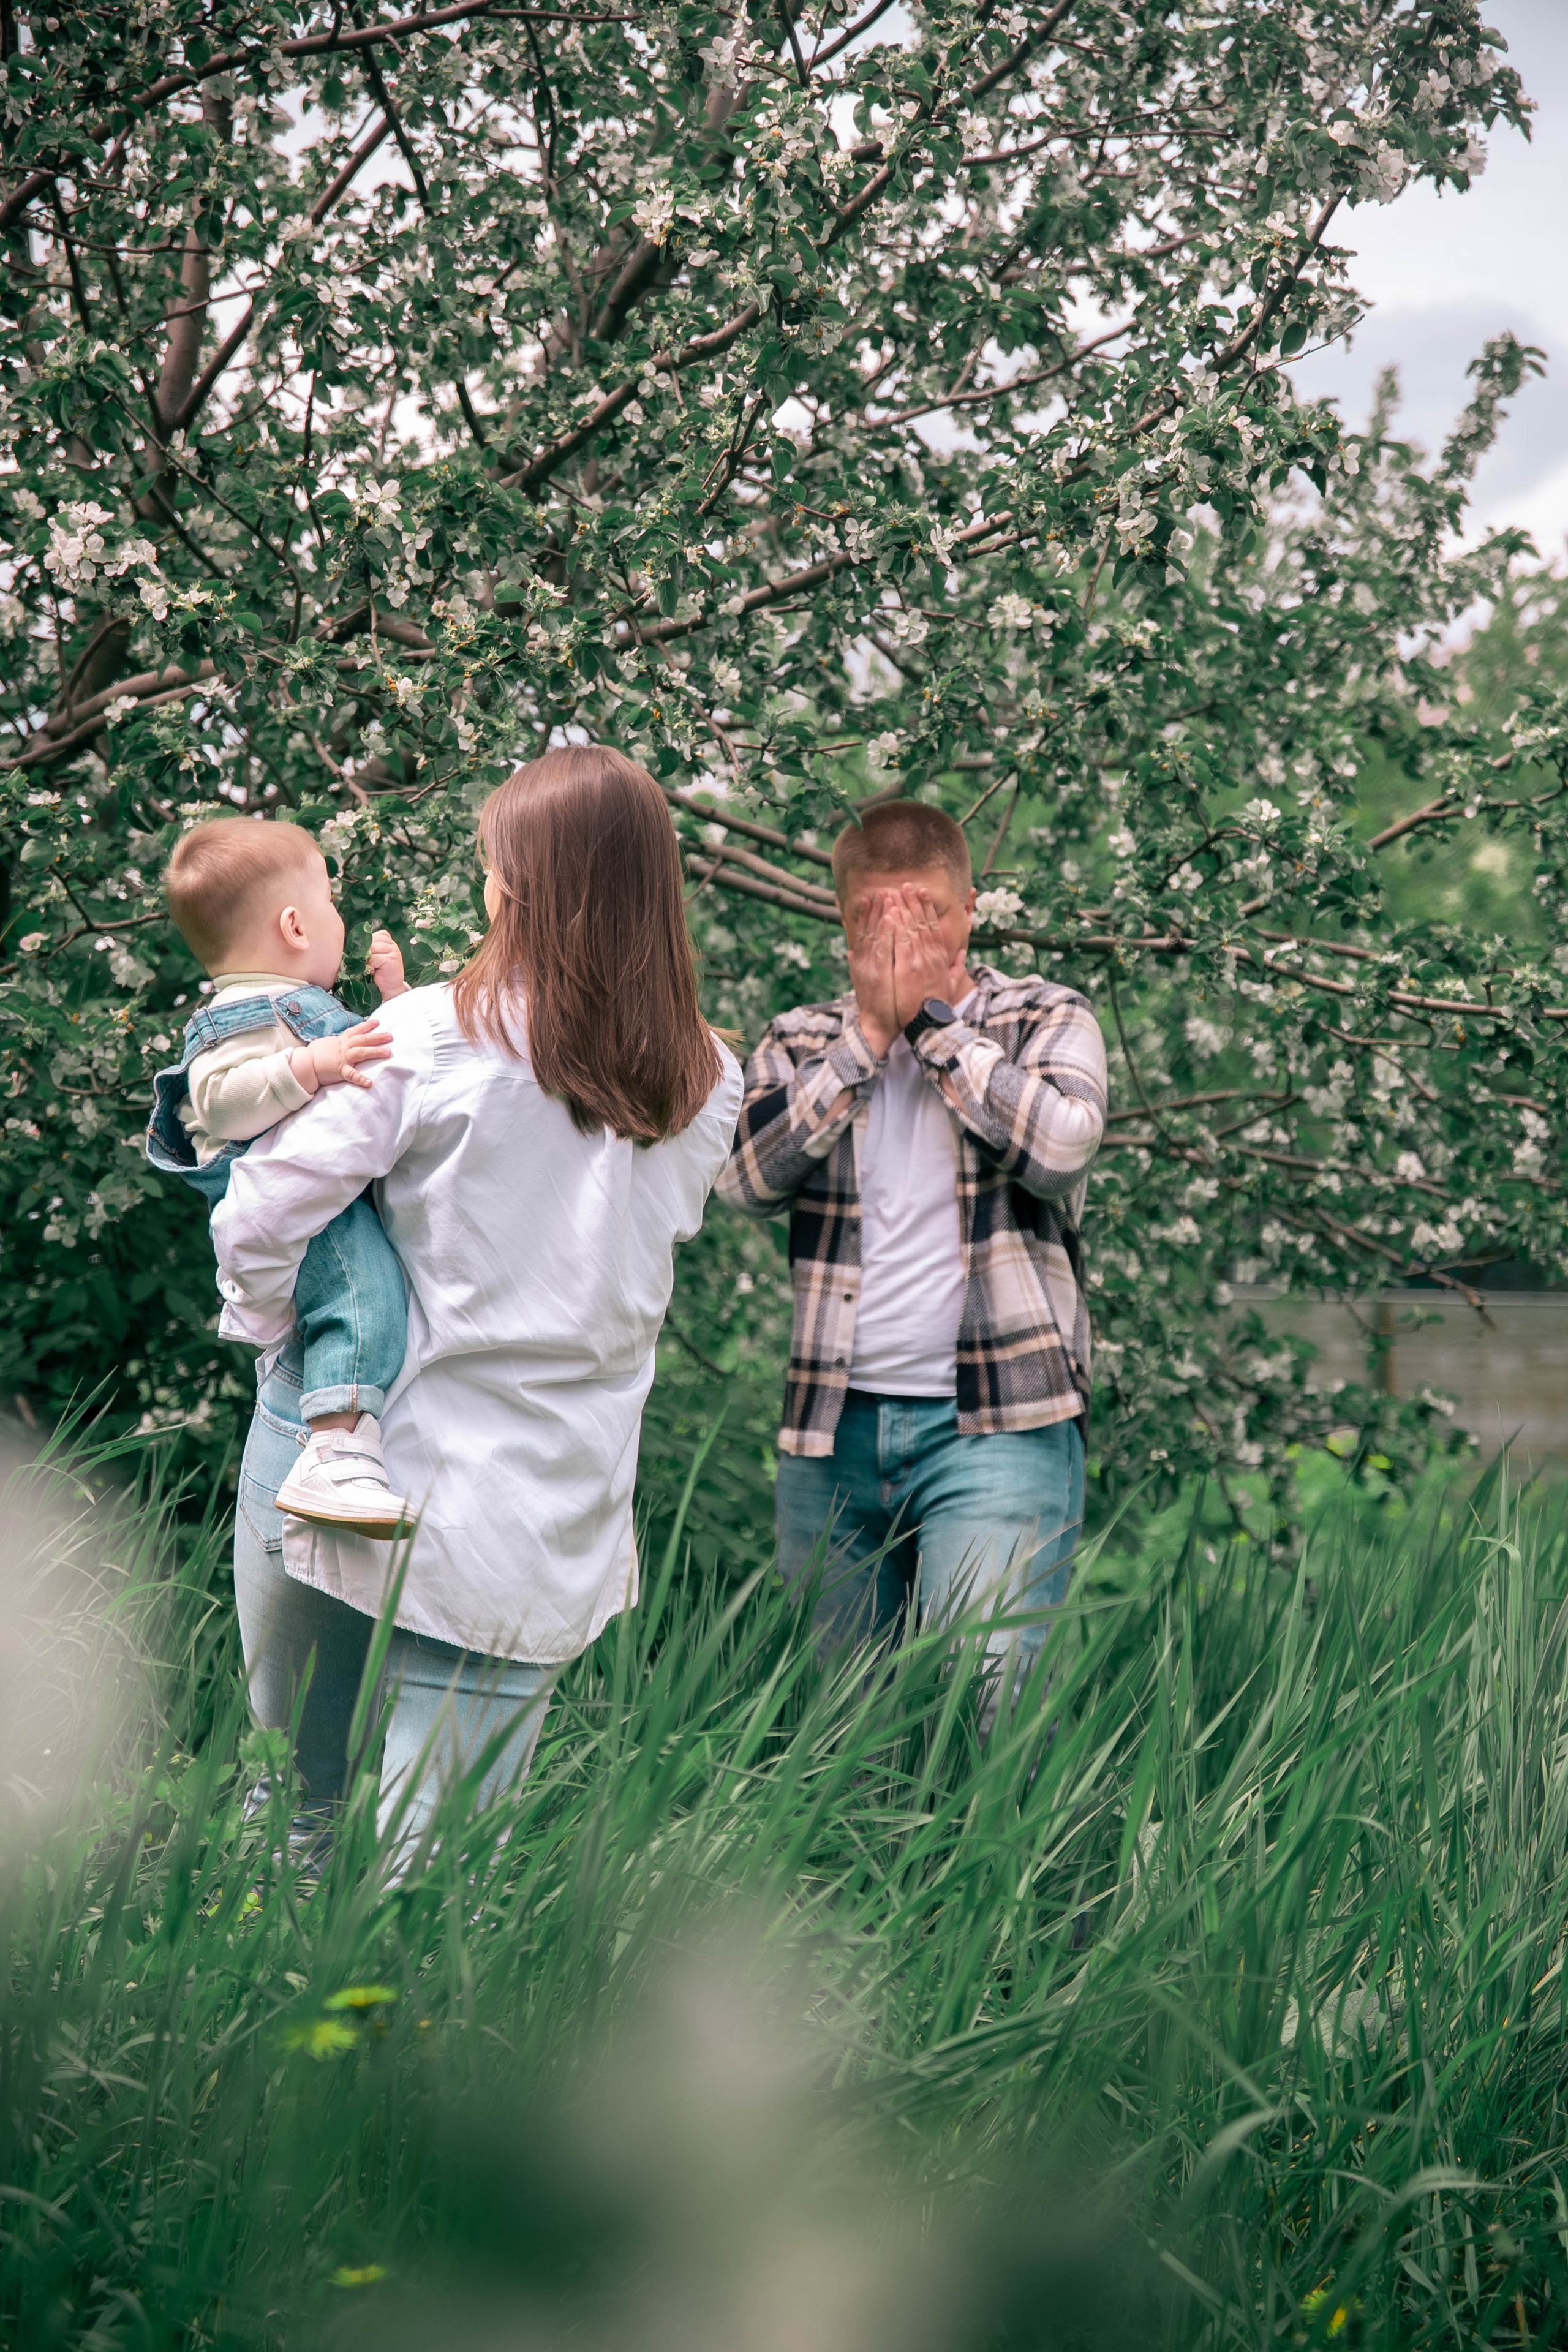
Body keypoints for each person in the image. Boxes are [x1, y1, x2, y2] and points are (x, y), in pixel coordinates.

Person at [209, 747, 742, 1852]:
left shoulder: (428, 1036)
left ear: (528, 888)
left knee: (291, 1821)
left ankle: (251, 2020)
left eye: (497, 867)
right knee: (431, 1880)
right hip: (541, 1511)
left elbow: (259, 1214)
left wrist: (281, 1338)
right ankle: (386, 2032)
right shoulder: (711, 1081)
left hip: (348, 1459)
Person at [717, 798, 1107, 1720]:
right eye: (873, 916)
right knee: (841, 1729)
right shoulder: (802, 1040)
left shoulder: (1042, 1017)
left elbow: (1058, 1151)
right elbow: (739, 1181)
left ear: (971, 908)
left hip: (1000, 1427)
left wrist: (931, 1028)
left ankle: (990, 1871)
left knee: (983, 1709)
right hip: (831, 1429)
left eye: (924, 912)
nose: (900, 933)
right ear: (843, 920)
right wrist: (868, 1041)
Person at [147, 818, 415, 1536]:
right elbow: (220, 1102)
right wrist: (313, 1066)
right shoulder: (234, 1018)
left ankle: (339, 1445)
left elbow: (387, 1063)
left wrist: (397, 999)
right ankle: (333, 1452)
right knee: (363, 1298)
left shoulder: (295, 1009)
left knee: (366, 1293)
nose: (341, 920)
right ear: (295, 925)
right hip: (289, 1200)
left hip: (318, 1189)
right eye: (332, 905)